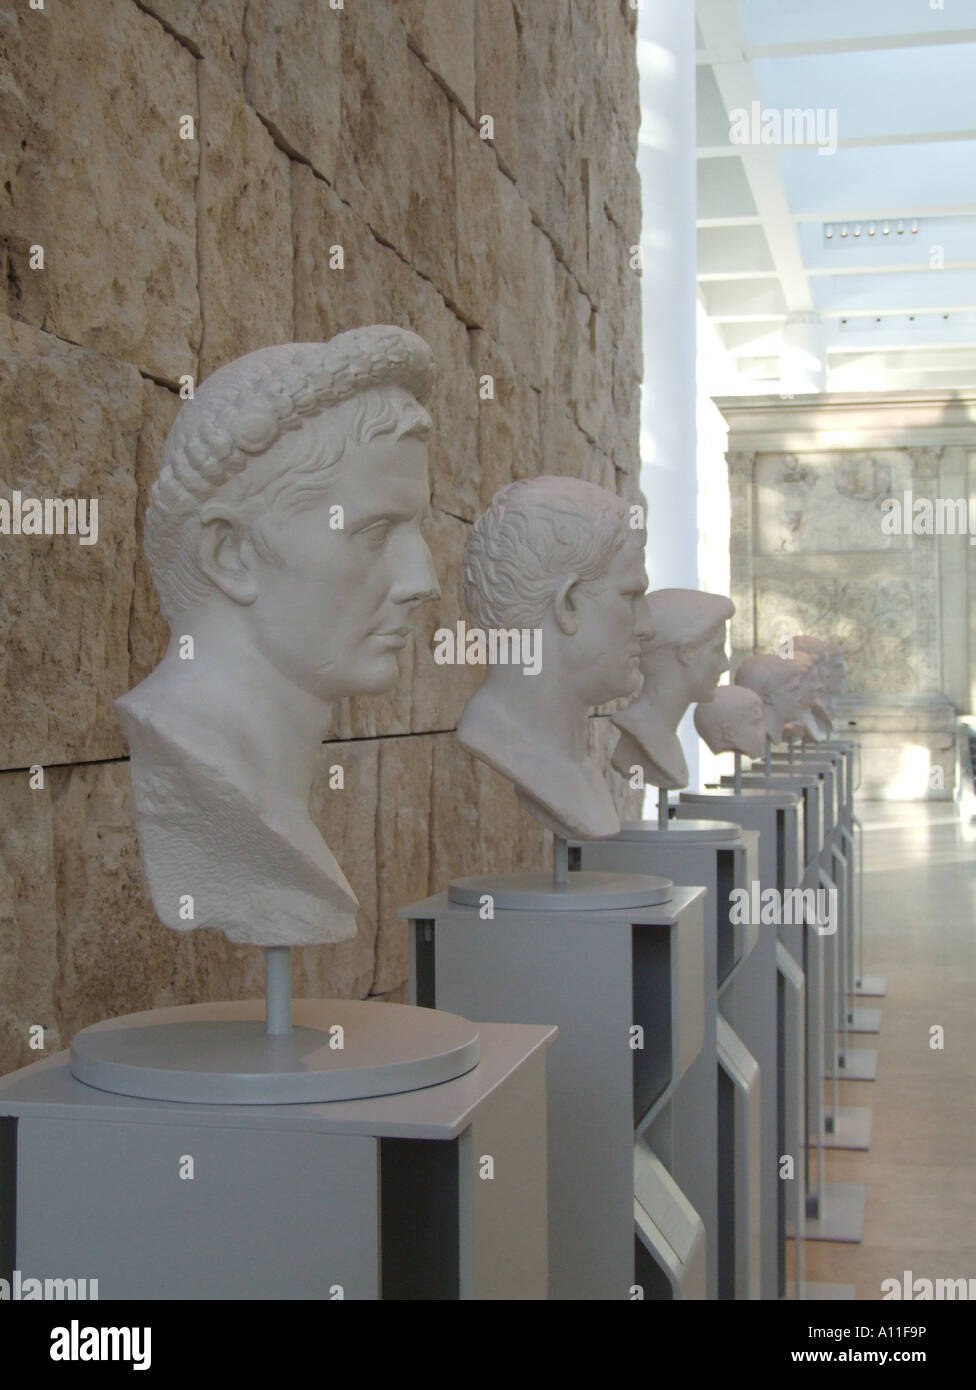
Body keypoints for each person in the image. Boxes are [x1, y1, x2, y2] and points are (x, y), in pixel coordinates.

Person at [117, 326, 440, 946]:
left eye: (415, 533)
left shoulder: (255, 774)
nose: (422, 582)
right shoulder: (200, 767)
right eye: (374, 533)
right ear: (229, 553)